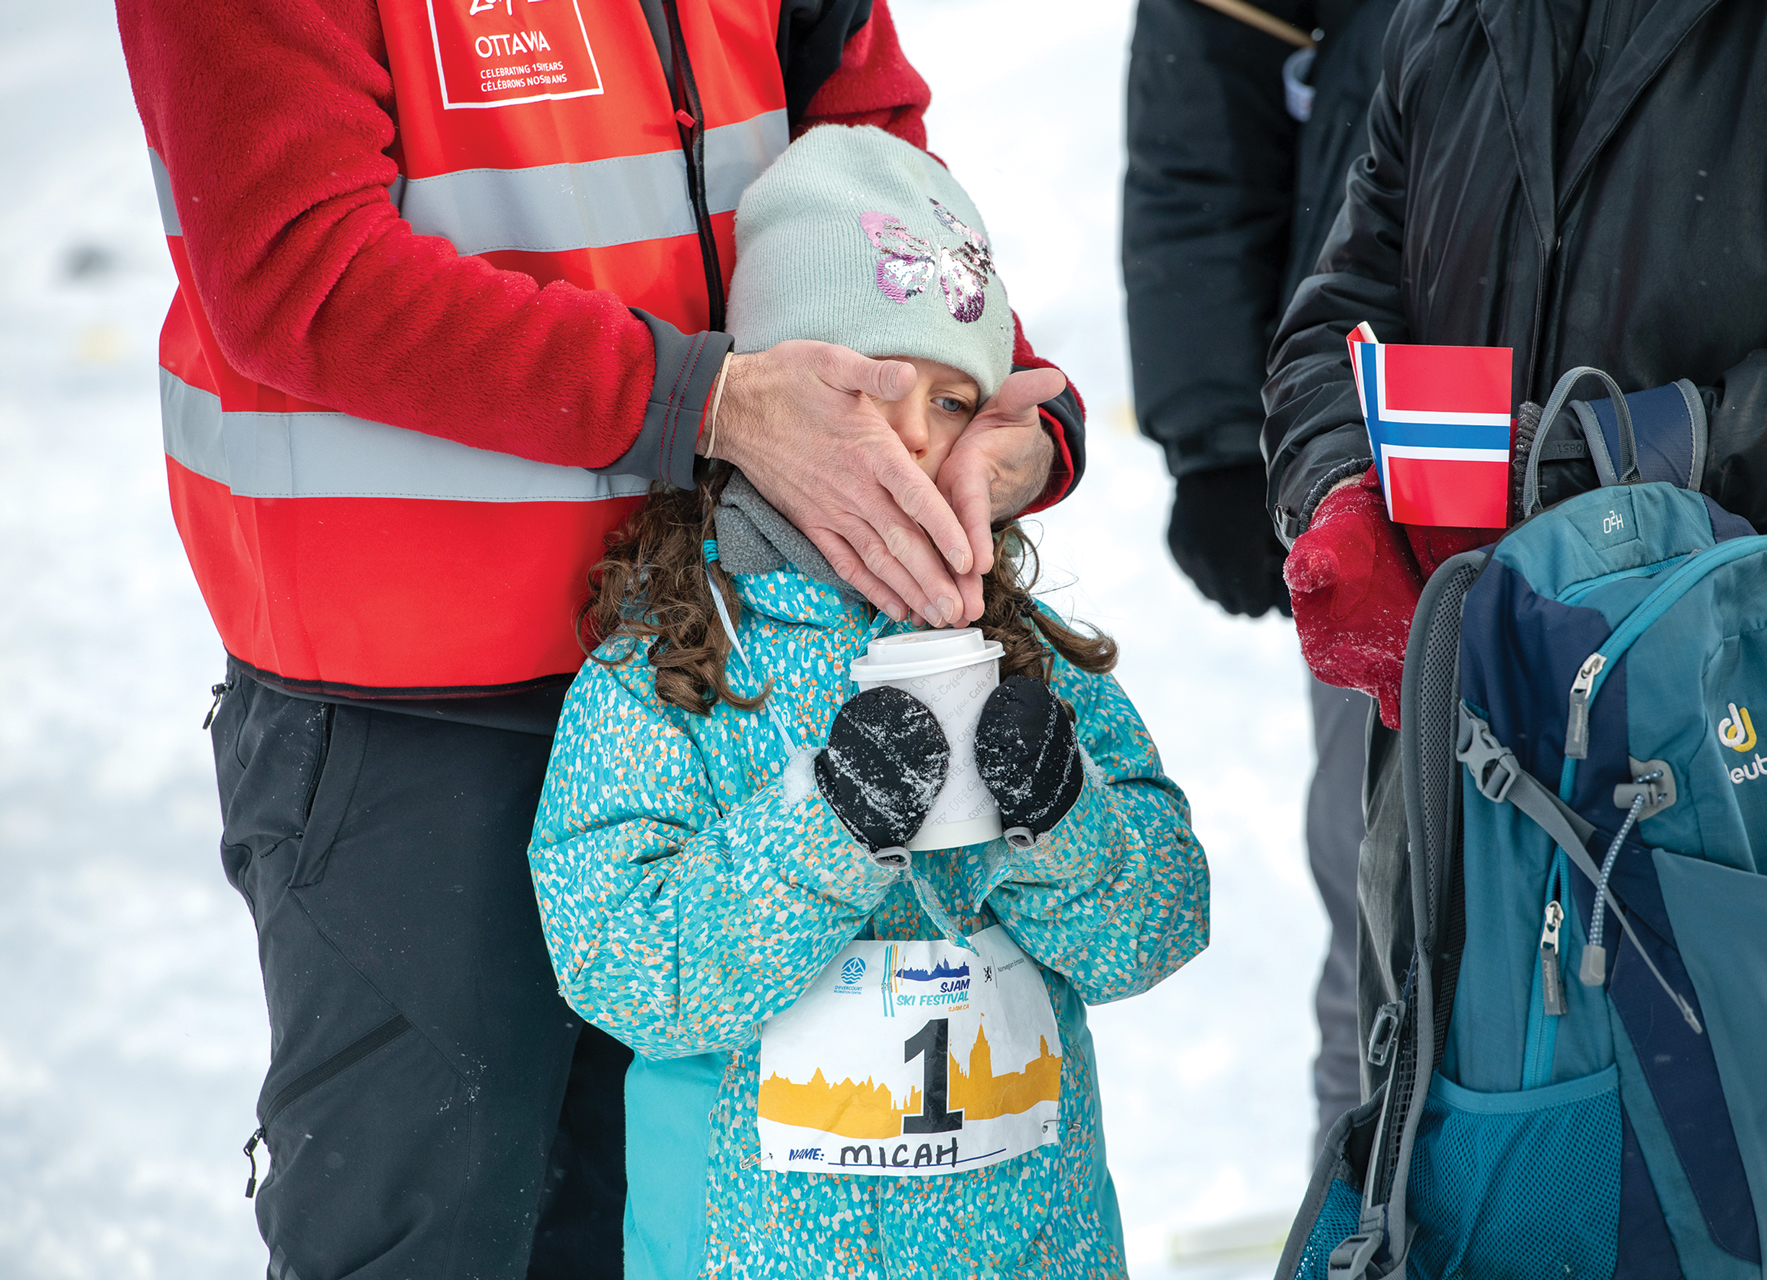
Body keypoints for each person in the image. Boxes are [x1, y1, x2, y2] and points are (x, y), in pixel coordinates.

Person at [113, 2, 1086, 1276]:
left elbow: (860, 146)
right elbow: (298, 265)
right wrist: (713, 400)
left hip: (735, 652)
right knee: (436, 1236)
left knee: (690, 1228)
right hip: (417, 708)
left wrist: (982, 400)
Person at [1263, 1, 1767, 1269]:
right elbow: (1332, 318)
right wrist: (1341, 485)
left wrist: (1635, 463)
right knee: (1511, 1206)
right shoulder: (1442, 23)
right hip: (1495, 792)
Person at [529, 124, 1210, 1278]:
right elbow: (616, 960)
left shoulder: (1016, 648)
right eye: (867, 386)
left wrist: (1064, 812)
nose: (907, 437)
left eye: (950, 403)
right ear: (781, 393)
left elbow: (1160, 922)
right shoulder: (676, 664)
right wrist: (827, 826)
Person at [1122, 0, 1398, 1151]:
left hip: (1739, 433)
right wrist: (1224, 436)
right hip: (1387, 450)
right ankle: (1371, 1208)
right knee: (1395, 888)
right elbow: (1203, 116)